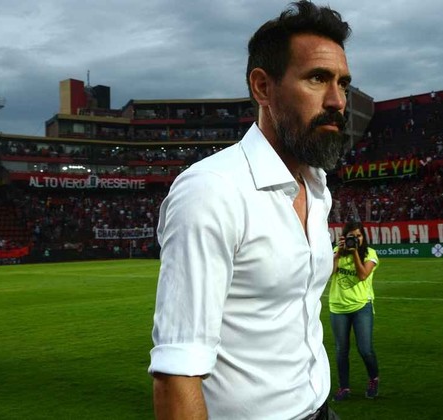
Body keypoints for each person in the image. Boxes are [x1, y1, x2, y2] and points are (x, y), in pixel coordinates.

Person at [149, 2, 352, 419]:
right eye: (317, 78)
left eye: (343, 83)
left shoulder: (317, 186)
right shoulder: (211, 191)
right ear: (262, 87)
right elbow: (176, 375)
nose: (337, 100)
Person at [329, 221, 380, 401]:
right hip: (338, 306)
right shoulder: (337, 250)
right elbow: (328, 273)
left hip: (361, 306)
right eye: (352, 236)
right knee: (341, 350)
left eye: (359, 236)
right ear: (345, 237)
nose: (356, 239)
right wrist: (337, 255)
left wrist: (354, 252)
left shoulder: (370, 253)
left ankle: (373, 379)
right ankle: (344, 387)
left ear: (363, 237)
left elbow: (363, 275)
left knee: (365, 349)